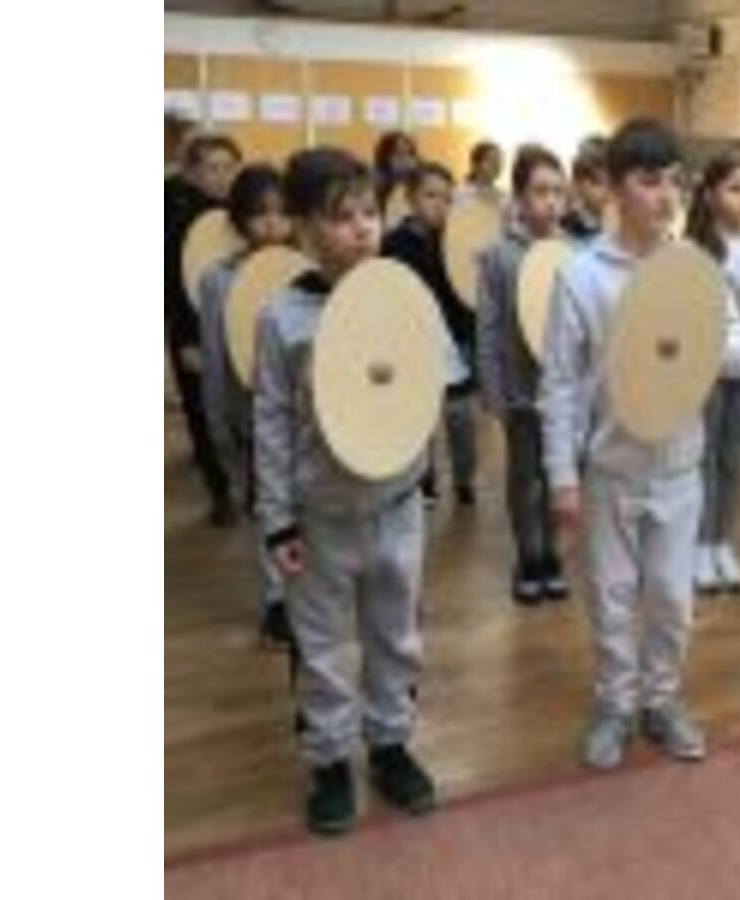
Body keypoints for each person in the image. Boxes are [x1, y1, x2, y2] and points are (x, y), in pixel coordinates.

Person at [540, 119, 740, 770]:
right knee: (611, 599)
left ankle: (660, 701)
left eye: (674, 181)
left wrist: (695, 344)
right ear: (613, 189)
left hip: (679, 470)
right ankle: (615, 704)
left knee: (670, 599)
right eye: (648, 181)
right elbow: (559, 384)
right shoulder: (582, 276)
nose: (666, 196)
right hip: (610, 468)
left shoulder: (696, 269)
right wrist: (562, 476)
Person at [253, 147, 438, 836]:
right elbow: (271, 423)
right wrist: (277, 522)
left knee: (396, 636)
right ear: (304, 228)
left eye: (370, 212)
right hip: (321, 516)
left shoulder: (404, 299)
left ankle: (390, 744)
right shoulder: (283, 318)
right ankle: (329, 758)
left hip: (396, 506)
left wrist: (426, 477)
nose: (362, 228)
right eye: (342, 217)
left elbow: (425, 387)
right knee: (323, 647)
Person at [195, 162, 296, 647]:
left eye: (282, 212)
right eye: (260, 214)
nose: (273, 224)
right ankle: (277, 599)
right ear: (238, 220)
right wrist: (219, 422)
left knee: (307, 502)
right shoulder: (218, 280)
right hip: (251, 409)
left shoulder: (307, 269)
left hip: (306, 409)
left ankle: (309, 590)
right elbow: (216, 354)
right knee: (269, 502)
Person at [475, 144, 571, 605]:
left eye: (557, 192)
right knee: (524, 478)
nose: (550, 202)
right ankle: (528, 557)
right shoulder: (498, 257)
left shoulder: (574, 254)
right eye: (540, 192)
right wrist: (493, 390)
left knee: (557, 475)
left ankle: (552, 554)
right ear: (519, 197)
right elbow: (489, 327)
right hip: (520, 390)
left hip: (563, 393)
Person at [684, 138, 740, 595]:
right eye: (736, 188)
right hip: (707, 371)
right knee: (704, 459)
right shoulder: (693, 248)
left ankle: (722, 542)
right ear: (710, 193)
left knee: (734, 460)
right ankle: (699, 544)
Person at [381, 162, 481, 509]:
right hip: (414, 342)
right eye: (431, 195)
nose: (440, 205)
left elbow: (467, 292)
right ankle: (424, 481)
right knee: (420, 418)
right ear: (410, 198)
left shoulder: (457, 241)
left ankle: (465, 478)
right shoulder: (393, 243)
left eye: (447, 198)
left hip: (455, 340)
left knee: (461, 417)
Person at [166, 133, 243, 525]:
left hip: (236, 322)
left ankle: (245, 480)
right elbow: (171, 284)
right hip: (192, 327)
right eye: (212, 168)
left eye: (229, 167)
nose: (222, 176)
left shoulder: (240, 212)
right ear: (192, 172)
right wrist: (184, 339)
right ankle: (220, 492)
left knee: (238, 404)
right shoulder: (174, 215)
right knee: (200, 409)